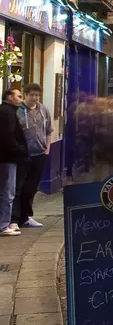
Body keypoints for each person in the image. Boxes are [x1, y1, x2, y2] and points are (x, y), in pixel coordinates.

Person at [13, 84, 52, 228]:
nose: (35, 98)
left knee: (32, 187)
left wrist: (47, 148)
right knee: (18, 187)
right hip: (22, 155)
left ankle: (26, 216)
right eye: (32, 95)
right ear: (25, 95)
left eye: (37, 95)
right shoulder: (18, 111)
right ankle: (14, 219)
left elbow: (48, 130)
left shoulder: (43, 110)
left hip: (40, 154)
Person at [0, 89, 26, 236]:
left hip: (6, 157)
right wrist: (20, 150)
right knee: (7, 192)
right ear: (9, 97)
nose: (21, 100)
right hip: (8, 158)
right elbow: (8, 137)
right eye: (19, 96)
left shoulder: (6, 111)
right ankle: (3, 225)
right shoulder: (7, 113)